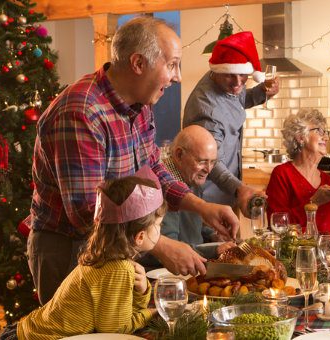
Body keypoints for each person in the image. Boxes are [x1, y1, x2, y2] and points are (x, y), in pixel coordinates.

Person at [28, 17, 239, 305]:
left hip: (116, 244)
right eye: (172, 64)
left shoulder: (140, 105)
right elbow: (87, 213)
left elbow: (154, 171)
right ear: (139, 64)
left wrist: (202, 207)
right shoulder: (82, 112)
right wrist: (161, 246)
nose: (177, 76)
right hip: (71, 248)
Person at [0, 169, 163, 340]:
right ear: (140, 236)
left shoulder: (105, 257)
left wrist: (141, 290)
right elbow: (116, 332)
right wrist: (150, 313)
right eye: (159, 224)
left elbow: (122, 315)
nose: (161, 228)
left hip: (24, 332)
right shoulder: (118, 269)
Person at [183, 31, 279, 215]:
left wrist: (263, 92)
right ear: (217, 71)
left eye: (243, 76)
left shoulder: (224, 76)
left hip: (226, 194)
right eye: (230, 76)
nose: (237, 83)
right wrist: (240, 189)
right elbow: (209, 163)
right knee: (213, 244)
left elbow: (238, 99)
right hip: (208, 200)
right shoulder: (208, 110)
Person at [139, 125, 236, 269]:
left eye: (213, 162)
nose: (208, 169)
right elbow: (167, 252)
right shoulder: (161, 191)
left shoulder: (190, 178)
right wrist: (214, 251)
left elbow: (191, 230)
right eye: (202, 161)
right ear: (179, 155)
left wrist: (213, 236)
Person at [266, 109, 330, 236]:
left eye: (325, 132)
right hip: (298, 253)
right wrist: (313, 203)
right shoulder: (282, 174)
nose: (326, 137)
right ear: (300, 137)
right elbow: (277, 226)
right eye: (319, 131)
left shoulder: (326, 178)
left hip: (329, 252)